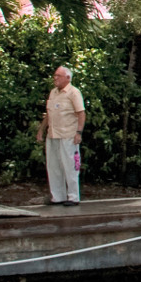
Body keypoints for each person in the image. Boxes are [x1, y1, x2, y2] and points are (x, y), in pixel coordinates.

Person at [39, 66, 86, 206]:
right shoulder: (53, 93)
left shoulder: (74, 92)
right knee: (53, 166)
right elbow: (49, 113)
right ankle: (57, 196)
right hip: (53, 134)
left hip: (68, 135)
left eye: (58, 76)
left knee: (70, 166)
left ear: (67, 78)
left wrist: (79, 132)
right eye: (55, 75)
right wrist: (41, 130)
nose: (55, 78)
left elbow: (81, 113)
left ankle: (73, 197)